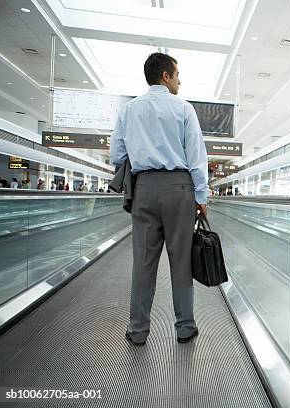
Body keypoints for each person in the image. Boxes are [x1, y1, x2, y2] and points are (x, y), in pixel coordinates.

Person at [110, 52, 208, 346]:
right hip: (180, 189)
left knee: (143, 263)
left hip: (144, 190)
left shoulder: (129, 110)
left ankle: (138, 330)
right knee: (180, 262)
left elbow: (116, 155)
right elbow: (196, 157)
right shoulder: (183, 108)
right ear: (165, 75)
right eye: (177, 74)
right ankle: (185, 327)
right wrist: (201, 197)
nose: (179, 80)